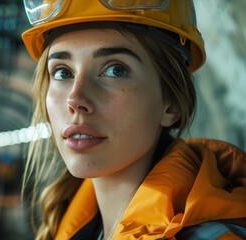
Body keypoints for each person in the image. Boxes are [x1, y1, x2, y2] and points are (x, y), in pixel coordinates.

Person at [20, 0, 246, 239]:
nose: (75, 99)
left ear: (171, 104)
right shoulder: (73, 226)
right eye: (62, 72)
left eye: (115, 70)